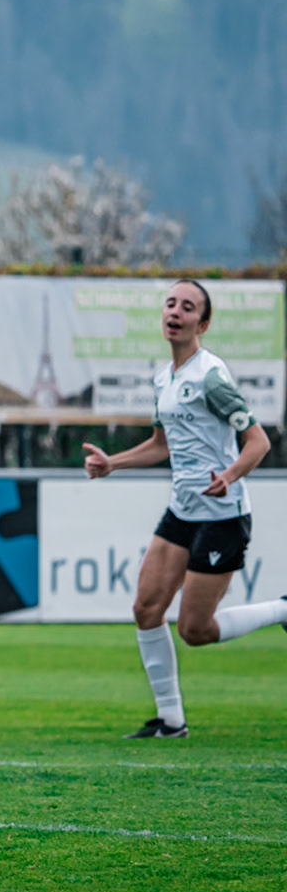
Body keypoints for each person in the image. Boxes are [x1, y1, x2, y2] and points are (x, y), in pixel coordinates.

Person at [83, 279, 284, 738]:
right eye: (170, 303)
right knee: (146, 608)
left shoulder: (211, 377)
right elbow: (161, 445)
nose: (175, 311)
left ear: (202, 323)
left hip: (222, 516)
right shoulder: (165, 378)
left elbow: (259, 442)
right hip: (182, 511)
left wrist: (229, 475)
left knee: (196, 630)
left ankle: (282, 610)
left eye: (188, 307)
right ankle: (171, 721)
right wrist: (113, 463)